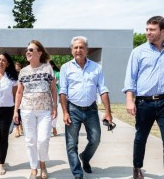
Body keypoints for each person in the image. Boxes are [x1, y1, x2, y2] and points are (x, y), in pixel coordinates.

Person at [123, 16, 164, 179]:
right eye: (147, 29)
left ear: (163, 31)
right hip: (144, 102)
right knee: (141, 137)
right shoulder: (138, 52)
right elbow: (130, 78)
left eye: (152, 29)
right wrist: (130, 100)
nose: (147, 33)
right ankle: (137, 167)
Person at [59, 36, 113, 179]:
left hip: (91, 110)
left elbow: (103, 89)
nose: (78, 50)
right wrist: (65, 112)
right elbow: (63, 91)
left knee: (95, 139)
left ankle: (85, 157)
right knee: (71, 144)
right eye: (75, 47)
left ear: (87, 50)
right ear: (72, 50)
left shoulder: (96, 68)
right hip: (73, 109)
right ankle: (78, 174)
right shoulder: (65, 68)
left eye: (81, 47)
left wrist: (108, 112)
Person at [13, 40, 57, 179]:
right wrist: (15, 111)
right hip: (27, 110)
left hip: (45, 110)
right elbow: (19, 92)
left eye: (31, 50)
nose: (28, 52)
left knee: (43, 139)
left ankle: (43, 164)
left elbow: (53, 89)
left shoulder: (48, 68)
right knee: (30, 140)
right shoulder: (23, 71)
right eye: (27, 50)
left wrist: (55, 106)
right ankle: (33, 168)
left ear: (39, 52)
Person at [49, 59, 60, 136]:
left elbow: (62, 83)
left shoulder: (58, 74)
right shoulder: (43, 73)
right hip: (45, 95)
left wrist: (56, 82)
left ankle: (54, 127)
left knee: (54, 111)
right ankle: (48, 129)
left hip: (55, 94)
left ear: (52, 65)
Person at [13, 62, 23, 137]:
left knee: (21, 114)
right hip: (14, 98)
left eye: (18, 68)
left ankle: (21, 127)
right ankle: (17, 129)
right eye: (15, 69)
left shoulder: (23, 75)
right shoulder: (12, 77)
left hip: (23, 98)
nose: (17, 70)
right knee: (16, 113)